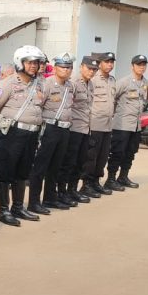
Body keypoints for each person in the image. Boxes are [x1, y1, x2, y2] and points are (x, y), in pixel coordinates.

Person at [0, 45, 46, 226]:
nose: (33, 66)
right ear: (20, 63)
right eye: (29, 62)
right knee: (4, 172)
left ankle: (18, 207)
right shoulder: (6, 84)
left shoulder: (40, 84)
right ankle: (3, 210)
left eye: (36, 63)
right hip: (10, 133)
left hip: (30, 135)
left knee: (22, 172)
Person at [28, 51, 75, 214]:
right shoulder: (46, 84)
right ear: (55, 68)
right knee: (41, 166)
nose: (66, 70)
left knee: (56, 166)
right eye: (63, 67)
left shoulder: (70, 86)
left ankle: (50, 198)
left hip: (64, 129)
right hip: (49, 128)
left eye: (69, 67)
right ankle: (34, 201)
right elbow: (37, 107)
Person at [57, 56, 98, 206]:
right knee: (69, 162)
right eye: (89, 68)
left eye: (94, 70)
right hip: (73, 129)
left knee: (80, 162)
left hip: (85, 129)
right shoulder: (73, 83)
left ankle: (72, 190)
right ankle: (61, 191)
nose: (92, 72)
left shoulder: (90, 84)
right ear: (81, 67)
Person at [106, 54, 148, 190]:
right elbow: (112, 98)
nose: (141, 67)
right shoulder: (124, 82)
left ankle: (123, 177)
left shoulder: (144, 82)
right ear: (132, 66)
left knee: (130, 152)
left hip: (136, 125)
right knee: (118, 151)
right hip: (122, 124)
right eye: (139, 64)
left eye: (143, 65)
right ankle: (111, 179)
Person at [83, 51, 116, 196]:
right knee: (91, 156)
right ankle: (86, 184)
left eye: (111, 62)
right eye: (107, 62)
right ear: (100, 63)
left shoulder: (112, 80)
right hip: (95, 124)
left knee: (103, 156)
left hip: (108, 125)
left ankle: (96, 182)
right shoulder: (93, 80)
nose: (109, 64)